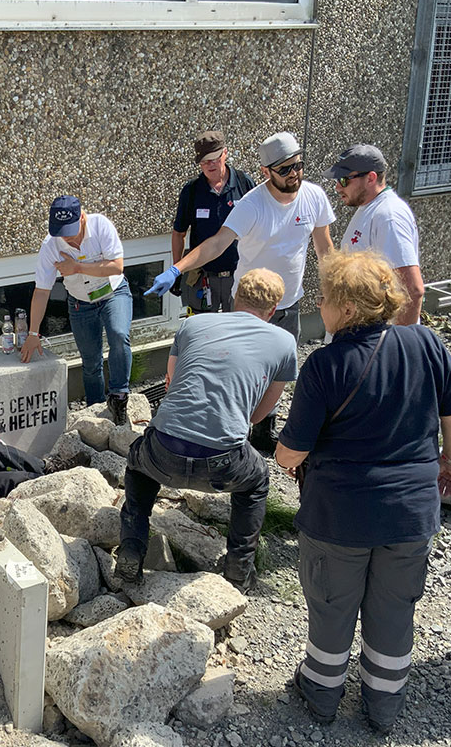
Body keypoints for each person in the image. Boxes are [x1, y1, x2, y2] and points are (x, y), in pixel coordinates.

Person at [274, 251, 451, 733]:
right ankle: (383, 705)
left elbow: (291, 453)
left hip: (340, 513)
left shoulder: (324, 365)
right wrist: (449, 463)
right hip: (411, 510)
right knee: (394, 606)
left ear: (345, 308)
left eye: (325, 298)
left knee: (332, 602)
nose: (320, 306)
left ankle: (321, 694)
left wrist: (282, 456)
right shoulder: (427, 343)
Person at [146, 131, 335, 449]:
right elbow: (217, 243)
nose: (294, 175)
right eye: (285, 169)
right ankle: (232, 432)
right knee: (244, 370)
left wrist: (336, 289)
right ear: (266, 172)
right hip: (251, 309)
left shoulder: (314, 197)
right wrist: (177, 268)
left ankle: (264, 431)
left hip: (289, 303)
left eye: (298, 166)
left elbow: (325, 248)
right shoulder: (252, 205)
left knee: (279, 372)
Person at [116, 268, 298, 593]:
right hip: (222, 464)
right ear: (273, 311)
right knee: (256, 482)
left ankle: (131, 550)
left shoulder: (192, 324)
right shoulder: (284, 343)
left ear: (233, 298)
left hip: (163, 453)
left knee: (137, 465)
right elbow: (259, 415)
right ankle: (238, 574)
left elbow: (171, 384)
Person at [21, 195, 132, 424]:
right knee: (91, 362)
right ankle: (96, 411)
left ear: (82, 217)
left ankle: (119, 396)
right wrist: (33, 334)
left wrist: (77, 267)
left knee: (119, 335)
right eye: (61, 231)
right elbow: (42, 291)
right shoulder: (50, 246)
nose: (67, 237)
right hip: (81, 303)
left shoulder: (100, 225)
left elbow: (116, 267)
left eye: (70, 230)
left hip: (113, 292)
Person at [326, 144, 424, 326]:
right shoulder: (370, 208)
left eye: (344, 180)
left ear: (371, 178)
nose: (338, 187)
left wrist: (399, 344)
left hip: (378, 343)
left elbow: (413, 289)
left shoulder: (389, 216)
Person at [171, 130, 256, 313]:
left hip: (239, 274)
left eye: (213, 159)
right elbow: (179, 233)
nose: (209, 165)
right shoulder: (192, 190)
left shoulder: (243, 183)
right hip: (204, 277)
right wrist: (176, 270)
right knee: (204, 333)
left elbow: (260, 226)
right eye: (203, 161)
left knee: (238, 331)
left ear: (225, 153)